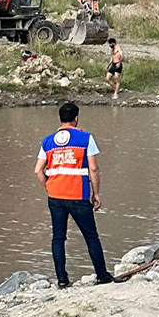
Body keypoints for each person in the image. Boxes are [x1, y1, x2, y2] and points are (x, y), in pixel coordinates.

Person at [34, 101, 116, 288]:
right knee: (91, 236)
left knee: (58, 237)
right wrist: (96, 193)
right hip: (78, 195)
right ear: (76, 119)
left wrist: (49, 187)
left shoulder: (47, 141)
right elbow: (93, 168)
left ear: (60, 119)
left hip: (55, 196)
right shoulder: (85, 138)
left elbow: (38, 170)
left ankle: (62, 280)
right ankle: (102, 275)